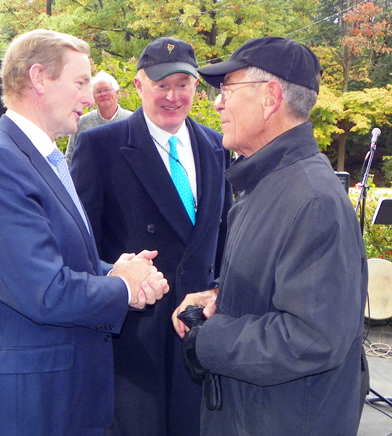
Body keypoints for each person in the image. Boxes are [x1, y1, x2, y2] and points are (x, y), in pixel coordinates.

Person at [0, 29, 169, 436]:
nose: (90, 97)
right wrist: (124, 289)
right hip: (14, 405)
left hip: (48, 395)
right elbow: (42, 290)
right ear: (39, 79)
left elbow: (59, 257)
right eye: (79, 82)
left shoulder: (40, 157)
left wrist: (114, 271)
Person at [172, 37, 368, 435]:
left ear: (270, 97)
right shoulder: (265, 184)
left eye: (227, 89)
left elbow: (313, 336)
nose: (217, 103)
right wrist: (216, 298)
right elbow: (276, 288)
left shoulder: (312, 200)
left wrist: (207, 339)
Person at [71, 37, 233, 436]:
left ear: (197, 86)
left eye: (183, 84)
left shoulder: (218, 146)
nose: (173, 96)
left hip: (199, 331)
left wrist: (219, 294)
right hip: (135, 340)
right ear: (140, 85)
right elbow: (78, 244)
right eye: (162, 85)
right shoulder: (99, 146)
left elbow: (227, 235)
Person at [65, 71, 132, 166]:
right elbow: (70, 158)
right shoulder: (82, 123)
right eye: (98, 91)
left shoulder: (132, 121)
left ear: (117, 93)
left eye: (106, 90)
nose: (103, 94)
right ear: (93, 97)